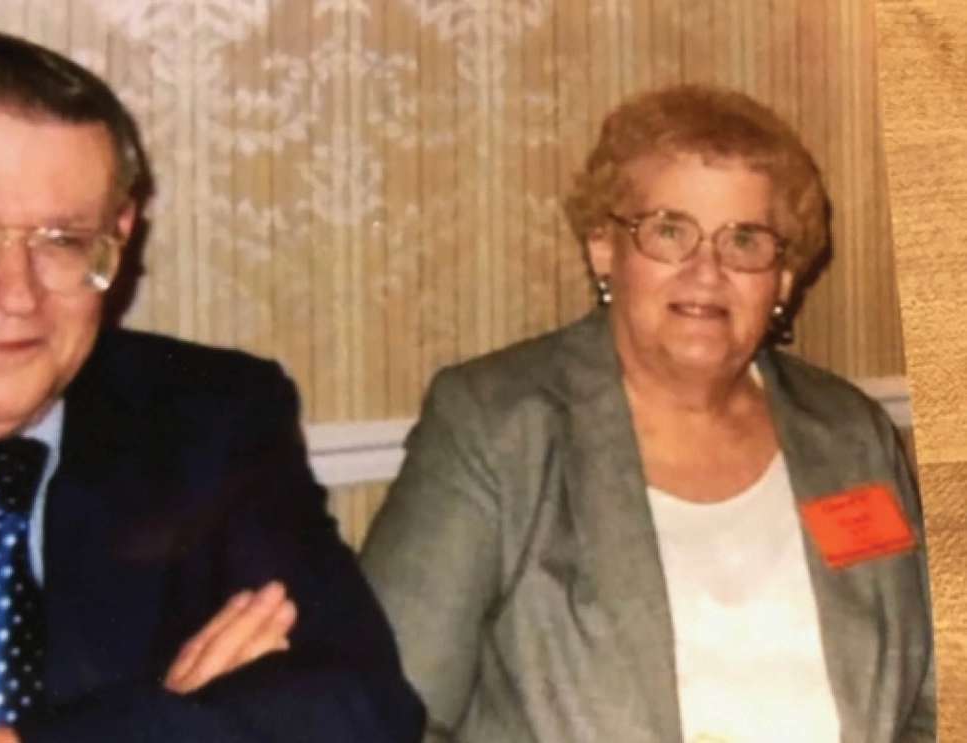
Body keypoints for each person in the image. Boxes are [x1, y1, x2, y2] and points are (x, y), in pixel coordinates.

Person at [0, 29, 423, 742]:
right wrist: (172, 717)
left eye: (63, 241)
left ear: (119, 238)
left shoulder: (209, 416)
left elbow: (362, 710)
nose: (16, 295)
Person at [360, 85, 934, 742]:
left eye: (745, 239)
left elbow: (933, 695)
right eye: (669, 231)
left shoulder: (850, 434)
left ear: (782, 278)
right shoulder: (497, 426)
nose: (706, 271)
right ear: (604, 246)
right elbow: (382, 710)